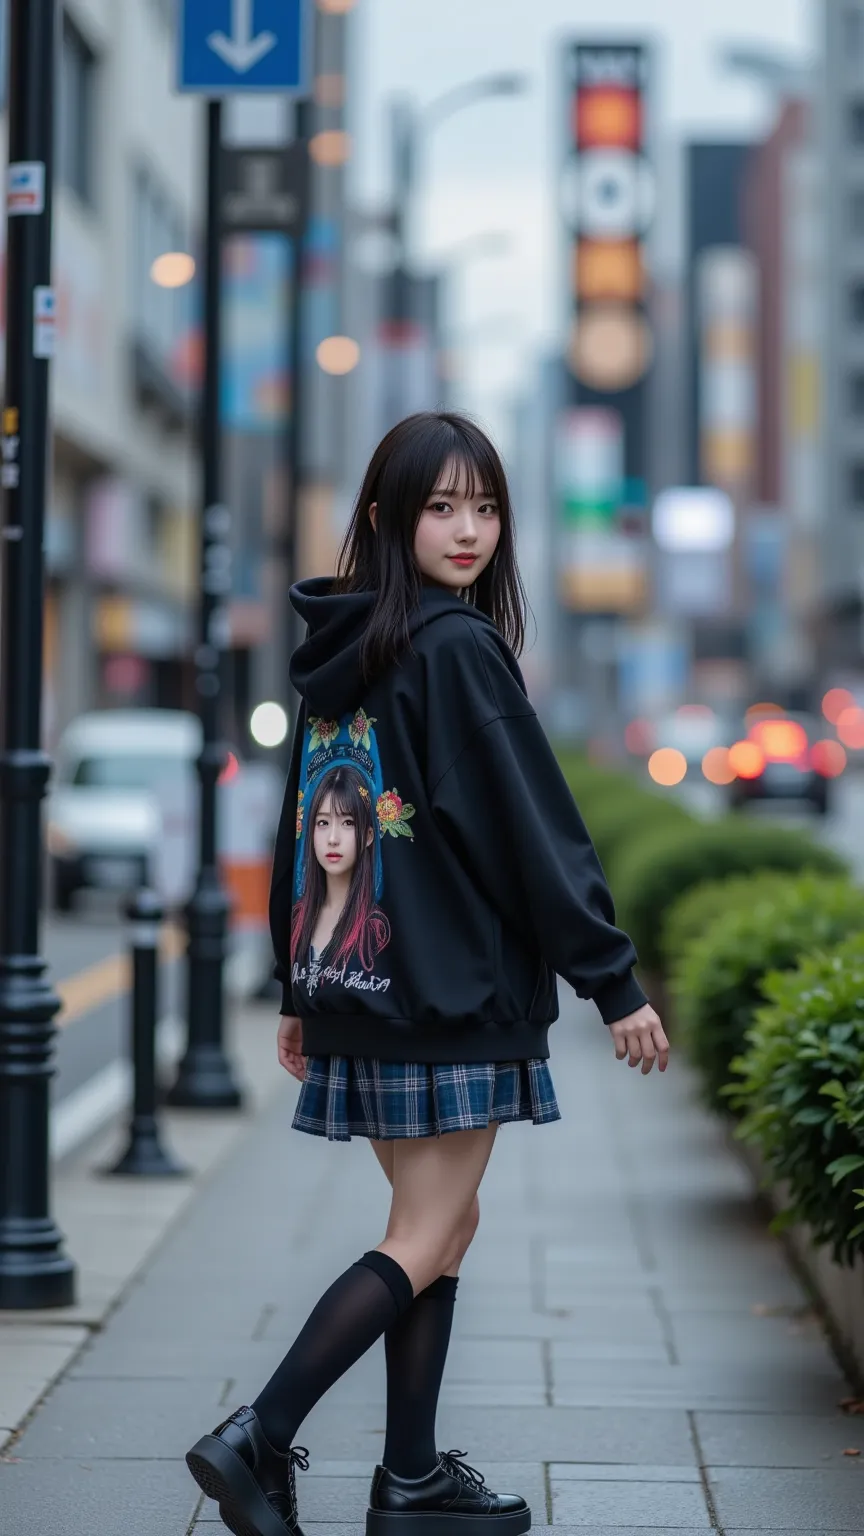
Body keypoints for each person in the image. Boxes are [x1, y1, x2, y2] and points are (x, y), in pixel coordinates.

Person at [186, 410, 670, 1536]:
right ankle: (259, 1433)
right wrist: (614, 981)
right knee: (423, 1237)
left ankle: (409, 1480)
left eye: (486, 506)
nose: (469, 530)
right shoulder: (456, 649)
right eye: (442, 506)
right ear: (385, 517)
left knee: (441, 1228)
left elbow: (302, 815)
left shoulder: (345, 649)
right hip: (449, 997)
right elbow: (532, 831)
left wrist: (299, 984)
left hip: (367, 989)